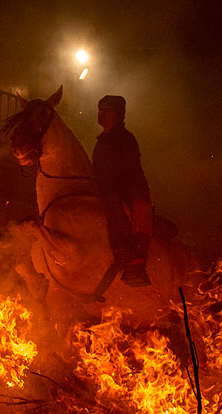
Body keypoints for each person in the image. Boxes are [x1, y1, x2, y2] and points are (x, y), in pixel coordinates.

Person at [91, 95, 153, 287]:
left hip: (128, 190)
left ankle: (130, 260)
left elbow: (128, 172)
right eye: (99, 109)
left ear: (118, 114)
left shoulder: (125, 139)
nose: (101, 114)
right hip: (104, 189)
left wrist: (121, 198)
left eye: (106, 110)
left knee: (121, 212)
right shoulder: (101, 141)